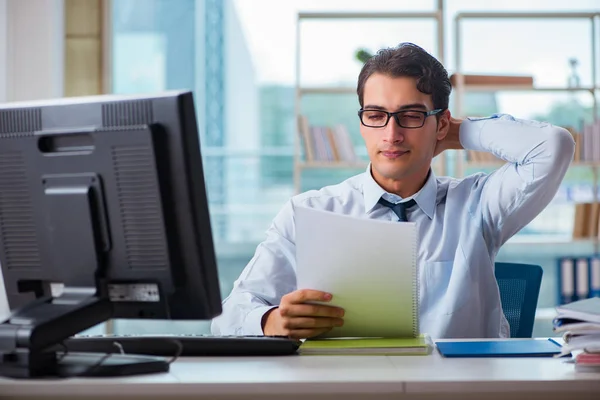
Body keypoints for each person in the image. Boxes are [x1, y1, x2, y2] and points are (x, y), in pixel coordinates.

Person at [211, 42, 575, 339]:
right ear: (363, 122)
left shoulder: (478, 206)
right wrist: (270, 321)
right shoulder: (309, 212)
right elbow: (226, 316)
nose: (391, 134)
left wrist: (457, 131)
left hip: (456, 391)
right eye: (376, 114)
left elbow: (552, 146)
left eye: (411, 115)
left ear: (440, 123)